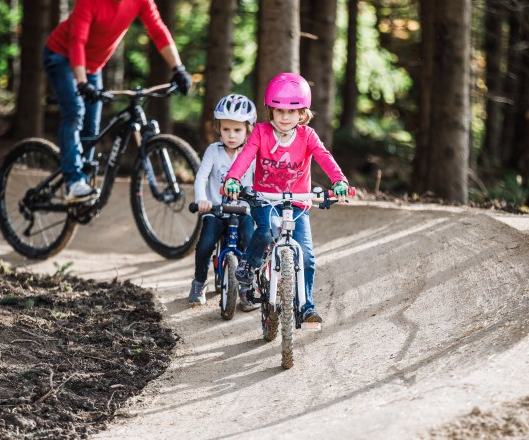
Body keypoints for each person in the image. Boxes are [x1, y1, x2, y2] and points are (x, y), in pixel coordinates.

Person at [222, 73, 349, 324]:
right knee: (267, 233)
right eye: (278, 111)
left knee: (307, 256)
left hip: (298, 203)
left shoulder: (308, 136)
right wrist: (233, 179)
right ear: (270, 110)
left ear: (302, 113)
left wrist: (339, 181)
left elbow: (324, 157)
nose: (284, 117)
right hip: (266, 199)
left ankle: (306, 307)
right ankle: (248, 265)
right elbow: (245, 156)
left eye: (291, 112)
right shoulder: (260, 132)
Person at [43, 0, 192, 203]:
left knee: (92, 127)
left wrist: (178, 69)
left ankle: (83, 185)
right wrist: (81, 82)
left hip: (93, 66)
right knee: (75, 112)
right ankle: (74, 182)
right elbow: (77, 41)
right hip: (62, 57)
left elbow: (158, 30)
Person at [189, 94, 258, 311]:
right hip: (216, 210)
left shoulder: (252, 154)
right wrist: (202, 199)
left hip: (242, 210)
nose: (231, 135)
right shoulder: (213, 151)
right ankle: (199, 282)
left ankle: (247, 287)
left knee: (250, 241)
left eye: (237, 130)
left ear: (248, 129)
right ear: (218, 128)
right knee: (205, 245)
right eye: (226, 129)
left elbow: (258, 180)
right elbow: (201, 176)